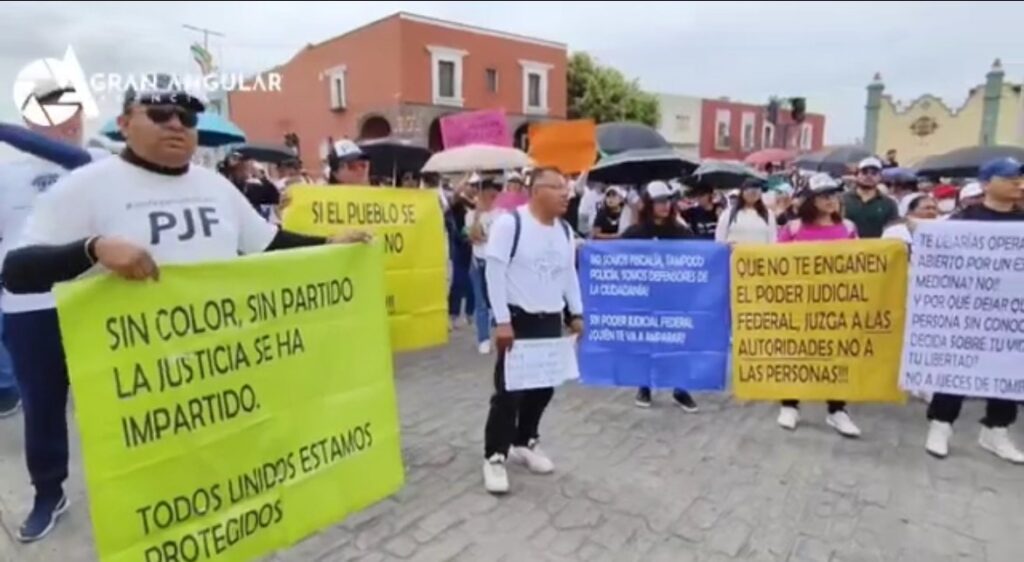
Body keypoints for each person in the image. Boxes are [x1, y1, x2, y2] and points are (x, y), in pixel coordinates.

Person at [1, 77, 370, 543]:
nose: (175, 124)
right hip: (120, 370)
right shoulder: (88, 185)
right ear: (124, 123)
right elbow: (17, 271)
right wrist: (93, 249)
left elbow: (269, 243)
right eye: (158, 114)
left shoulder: (216, 187)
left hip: (197, 374)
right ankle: (48, 493)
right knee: (48, 410)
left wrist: (331, 245)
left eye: (187, 116)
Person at [481, 167, 583, 494]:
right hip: (517, 318)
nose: (567, 194)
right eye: (559, 187)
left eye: (567, 188)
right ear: (537, 190)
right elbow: (494, 273)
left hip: (550, 319)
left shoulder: (565, 231)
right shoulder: (511, 224)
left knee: (544, 387)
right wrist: (501, 321)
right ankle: (495, 455)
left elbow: (569, 275)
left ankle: (525, 441)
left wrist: (576, 312)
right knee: (509, 392)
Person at [924, 157, 1024, 463]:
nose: (1018, 184)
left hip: (1011, 316)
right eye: (1010, 178)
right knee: (957, 369)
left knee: (1008, 372)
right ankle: (941, 425)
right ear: (986, 183)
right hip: (968, 314)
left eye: (1020, 178)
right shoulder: (963, 220)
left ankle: (997, 429)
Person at [776, 173, 861, 438]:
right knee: (795, 353)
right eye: (824, 196)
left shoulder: (848, 228)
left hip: (837, 303)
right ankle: (790, 404)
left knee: (836, 355)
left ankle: (837, 410)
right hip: (799, 303)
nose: (831, 200)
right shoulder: (792, 229)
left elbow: (860, 264)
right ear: (811, 200)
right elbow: (776, 264)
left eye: (834, 195)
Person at [621, 181, 699, 411]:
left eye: (668, 201)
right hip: (645, 297)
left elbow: (700, 257)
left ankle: (680, 388)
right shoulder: (635, 233)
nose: (665, 206)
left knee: (678, 342)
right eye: (659, 202)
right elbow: (616, 257)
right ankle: (644, 386)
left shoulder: (681, 231)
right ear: (648, 204)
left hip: (675, 297)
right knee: (647, 343)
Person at [465, 179, 501, 354]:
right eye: (484, 194)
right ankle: (483, 338)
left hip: (495, 263)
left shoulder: (501, 215)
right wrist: (477, 215)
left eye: (491, 195)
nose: (488, 198)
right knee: (480, 302)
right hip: (477, 262)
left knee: (496, 299)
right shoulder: (471, 215)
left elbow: (498, 239)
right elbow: (474, 237)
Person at [843, 157, 899, 238]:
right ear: (857, 175)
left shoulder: (889, 203)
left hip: (877, 248)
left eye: (874, 173)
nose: (869, 176)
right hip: (846, 247)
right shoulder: (842, 199)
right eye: (864, 172)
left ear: (880, 177)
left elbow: (893, 230)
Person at [448, 178, 477, 328]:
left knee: (472, 282)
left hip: (474, 245)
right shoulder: (459, 204)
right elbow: (453, 201)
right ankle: (453, 314)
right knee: (458, 280)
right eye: (471, 185)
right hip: (459, 245)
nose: (473, 188)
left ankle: (470, 313)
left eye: (475, 186)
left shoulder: (478, 205)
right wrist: (460, 185)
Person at [220, 151, 280, 220]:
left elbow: (274, 198)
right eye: (243, 167)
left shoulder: (254, 189)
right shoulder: (226, 187)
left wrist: (262, 177)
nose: (247, 169)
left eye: (249, 166)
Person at [714, 178, 776, 244]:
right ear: (742, 193)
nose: (752, 195)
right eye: (748, 192)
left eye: (755, 193)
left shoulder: (768, 214)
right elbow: (720, 237)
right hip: (735, 253)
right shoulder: (729, 213)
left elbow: (772, 240)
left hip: (760, 253)